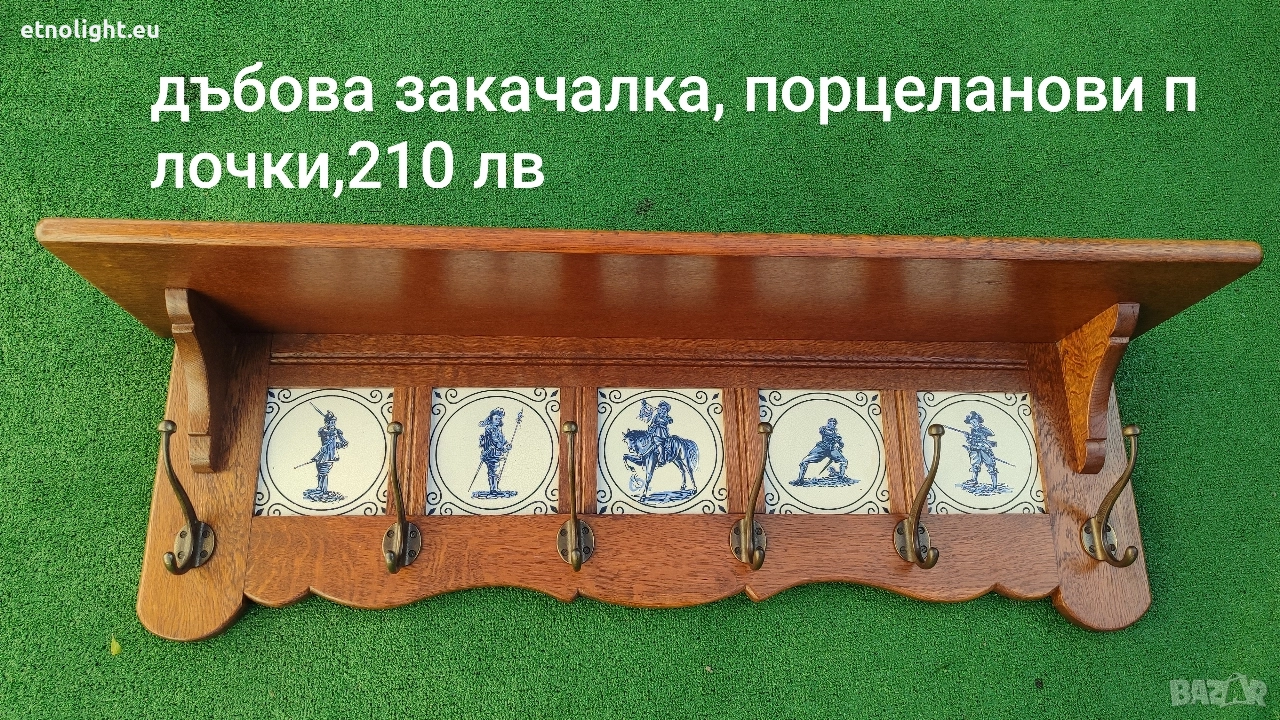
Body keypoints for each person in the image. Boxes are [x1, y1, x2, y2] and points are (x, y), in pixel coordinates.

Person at [308, 408, 347, 500]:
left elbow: (343, 443)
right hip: (322, 454)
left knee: (324, 472)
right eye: (331, 422)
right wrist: (333, 434)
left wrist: (338, 444)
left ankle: (324, 490)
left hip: (330, 455)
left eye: (334, 422)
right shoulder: (323, 431)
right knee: (319, 469)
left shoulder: (337, 431)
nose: (333, 424)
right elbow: (325, 437)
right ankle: (319, 488)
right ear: (326, 422)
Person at [797, 418, 847, 482]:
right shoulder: (824, 429)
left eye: (834, 424)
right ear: (828, 423)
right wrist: (834, 436)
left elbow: (841, 444)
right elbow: (823, 431)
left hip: (831, 450)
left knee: (844, 461)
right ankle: (800, 479)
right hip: (821, 449)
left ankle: (841, 477)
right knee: (804, 462)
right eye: (831, 423)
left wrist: (839, 446)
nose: (833, 425)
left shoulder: (837, 435)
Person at [478, 408, 512, 494]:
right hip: (490, 453)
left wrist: (507, 444)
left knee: (494, 470)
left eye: (499, 419)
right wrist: (503, 448)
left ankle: (494, 488)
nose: (498, 421)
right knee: (493, 471)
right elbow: (495, 441)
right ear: (491, 419)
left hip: (496, 453)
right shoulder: (489, 428)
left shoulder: (498, 429)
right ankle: (493, 489)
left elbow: (502, 439)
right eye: (496, 419)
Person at [960, 411, 999, 488]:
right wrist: (968, 437)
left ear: (978, 421)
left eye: (974, 422)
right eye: (971, 422)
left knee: (990, 465)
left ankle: (994, 485)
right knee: (975, 465)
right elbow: (970, 441)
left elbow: (991, 433)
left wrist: (979, 429)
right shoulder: (972, 430)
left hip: (984, 449)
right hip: (975, 449)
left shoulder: (983, 429)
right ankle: (974, 480)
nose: (973, 424)